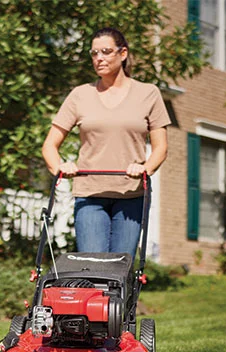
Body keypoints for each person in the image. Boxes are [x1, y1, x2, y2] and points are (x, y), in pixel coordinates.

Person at [42, 27, 170, 257]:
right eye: (94, 53)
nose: (98, 58)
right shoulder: (80, 95)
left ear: (123, 54)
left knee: (121, 268)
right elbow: (50, 145)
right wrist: (60, 166)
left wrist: (145, 168)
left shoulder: (148, 93)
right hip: (90, 196)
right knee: (93, 265)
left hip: (131, 196)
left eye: (106, 51)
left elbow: (161, 147)